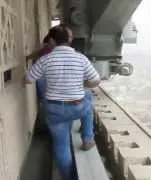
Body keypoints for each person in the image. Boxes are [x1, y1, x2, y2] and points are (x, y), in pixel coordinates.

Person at [24, 25, 101, 180]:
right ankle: (87, 139)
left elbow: (28, 79)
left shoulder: (46, 59)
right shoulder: (81, 58)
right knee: (87, 101)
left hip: (54, 110)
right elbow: (96, 80)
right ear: (70, 40)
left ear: (52, 40)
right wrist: (82, 85)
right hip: (77, 107)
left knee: (61, 146)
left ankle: (69, 177)